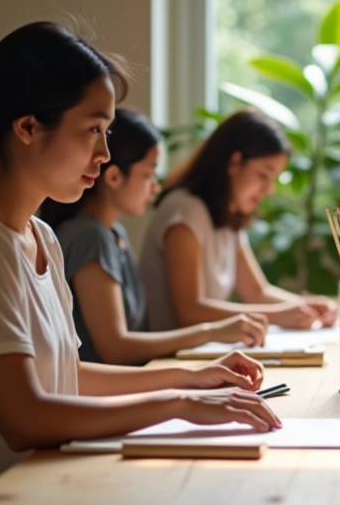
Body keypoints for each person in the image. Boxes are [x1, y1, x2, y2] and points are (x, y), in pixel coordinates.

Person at [0, 22, 280, 505]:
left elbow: (70, 377)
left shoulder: (42, 236)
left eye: (108, 132)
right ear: (27, 127)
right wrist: (179, 406)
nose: (105, 153)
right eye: (93, 130)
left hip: (38, 499)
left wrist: (190, 377)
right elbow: (26, 417)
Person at [39, 108, 268, 365]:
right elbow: (115, 347)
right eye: (148, 174)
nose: (156, 187)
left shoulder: (113, 233)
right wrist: (212, 331)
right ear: (114, 176)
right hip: (108, 395)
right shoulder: (89, 237)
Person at [140, 108, 337, 332]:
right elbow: (189, 312)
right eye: (263, 175)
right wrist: (278, 315)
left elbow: (257, 292)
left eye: (273, 179)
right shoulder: (186, 211)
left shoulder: (227, 216)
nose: (269, 190)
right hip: (170, 359)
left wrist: (305, 306)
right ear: (234, 162)